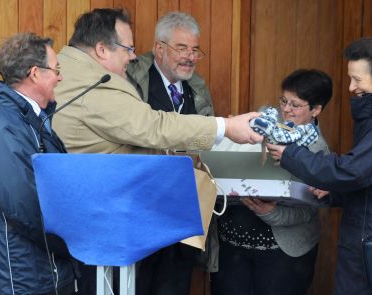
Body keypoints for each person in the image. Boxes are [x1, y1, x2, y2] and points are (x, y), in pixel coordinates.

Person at [51, 7, 261, 294]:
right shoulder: (96, 83)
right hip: (112, 223)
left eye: (195, 49)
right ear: (101, 49)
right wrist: (225, 126)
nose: (133, 55)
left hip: (160, 221)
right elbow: (152, 126)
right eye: (128, 48)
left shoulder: (70, 68)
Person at [267, 37, 372, 294]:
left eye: (358, 79)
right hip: (368, 237)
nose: (351, 87)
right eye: (350, 78)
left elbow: (354, 170)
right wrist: (335, 192)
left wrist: (291, 155)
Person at [211, 69, 333, 295]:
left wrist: (271, 213)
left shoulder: (318, 151)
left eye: (295, 105)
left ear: (316, 109)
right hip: (231, 247)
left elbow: (310, 209)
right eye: (283, 101)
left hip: (283, 256)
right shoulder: (260, 122)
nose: (285, 109)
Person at [0, 33, 77, 295]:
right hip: (28, 280)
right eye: (56, 69)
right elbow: (25, 207)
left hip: (48, 272)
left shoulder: (34, 120)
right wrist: (75, 240)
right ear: (35, 73)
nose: (60, 77)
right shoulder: (5, 125)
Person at [126, 12, 215, 295]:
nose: (190, 57)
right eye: (182, 48)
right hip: (141, 210)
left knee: (175, 285)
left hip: (183, 213)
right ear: (159, 48)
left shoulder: (197, 89)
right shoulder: (132, 83)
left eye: (195, 50)